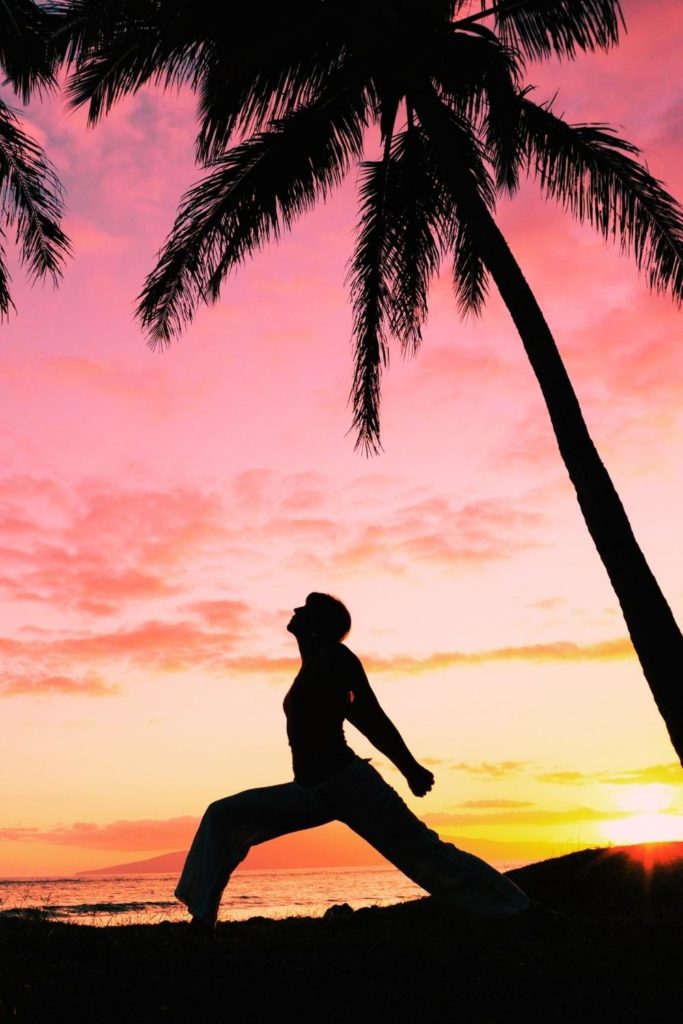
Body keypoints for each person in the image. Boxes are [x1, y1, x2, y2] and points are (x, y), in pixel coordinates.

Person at [175, 592, 529, 927]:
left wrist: (410, 768)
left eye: (307, 607)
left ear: (320, 623)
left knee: (426, 854)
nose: (297, 610)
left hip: (349, 785)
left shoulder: (336, 656)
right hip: (308, 791)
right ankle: (203, 919)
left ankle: (518, 909)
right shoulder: (311, 665)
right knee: (223, 814)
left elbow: (370, 716)